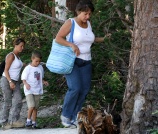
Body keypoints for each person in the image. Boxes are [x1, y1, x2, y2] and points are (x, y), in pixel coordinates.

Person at [55, 0, 107, 128]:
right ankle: (65, 116)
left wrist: (104, 39)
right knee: (75, 88)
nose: (88, 17)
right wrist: (71, 44)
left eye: (89, 14)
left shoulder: (88, 24)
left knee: (84, 90)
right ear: (78, 11)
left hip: (86, 61)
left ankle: (74, 116)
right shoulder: (70, 23)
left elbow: (89, 38)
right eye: (85, 14)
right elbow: (58, 38)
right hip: (72, 61)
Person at [0, 38, 25, 129]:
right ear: (15, 45)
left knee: (18, 100)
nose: (22, 48)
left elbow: (18, 66)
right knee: (8, 102)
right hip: (7, 80)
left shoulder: (18, 57)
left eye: (23, 46)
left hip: (16, 81)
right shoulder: (11, 55)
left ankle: (14, 121)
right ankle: (4, 123)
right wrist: (10, 81)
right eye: (20, 46)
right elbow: (6, 70)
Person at [21, 50, 49, 128]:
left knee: (35, 108)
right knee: (31, 106)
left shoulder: (40, 67)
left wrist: (44, 82)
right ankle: (28, 120)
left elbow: (40, 78)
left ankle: (34, 122)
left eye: (39, 61)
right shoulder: (28, 68)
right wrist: (26, 84)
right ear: (32, 59)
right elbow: (23, 78)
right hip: (29, 89)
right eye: (36, 61)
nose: (38, 63)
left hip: (37, 90)